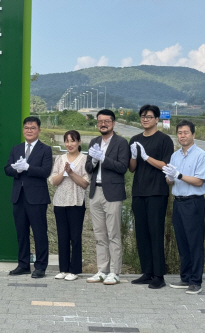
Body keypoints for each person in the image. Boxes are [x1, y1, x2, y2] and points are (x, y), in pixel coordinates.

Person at [129, 105, 174, 289]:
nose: (145, 119)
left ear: (157, 119)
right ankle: (147, 272)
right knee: (141, 233)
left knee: (156, 233)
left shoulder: (164, 140)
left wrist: (146, 157)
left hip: (157, 192)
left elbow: (166, 165)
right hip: (139, 191)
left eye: (149, 116)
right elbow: (132, 168)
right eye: (142, 116)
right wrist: (133, 156)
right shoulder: (135, 139)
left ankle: (159, 275)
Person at [162, 120, 205, 295]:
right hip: (178, 201)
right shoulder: (175, 156)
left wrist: (179, 175)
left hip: (193, 202)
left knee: (195, 242)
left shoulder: (200, 155)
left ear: (193, 135)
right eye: (180, 133)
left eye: (186, 132)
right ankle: (186, 277)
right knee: (182, 241)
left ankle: (196, 281)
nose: (182, 136)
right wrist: (170, 176)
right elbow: (170, 180)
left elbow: (198, 181)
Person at [85, 109, 130, 285]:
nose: (103, 124)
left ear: (113, 123)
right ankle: (102, 270)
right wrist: (94, 161)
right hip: (95, 191)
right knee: (99, 234)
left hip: (113, 192)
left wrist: (103, 158)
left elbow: (122, 167)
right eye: (100, 121)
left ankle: (115, 272)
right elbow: (88, 168)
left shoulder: (121, 142)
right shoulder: (94, 142)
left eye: (106, 121)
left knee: (113, 233)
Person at [4, 116, 53, 278]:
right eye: (26, 128)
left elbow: (45, 172)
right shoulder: (16, 148)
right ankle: (23, 264)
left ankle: (40, 266)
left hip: (37, 198)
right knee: (21, 233)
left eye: (32, 128)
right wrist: (17, 169)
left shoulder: (45, 149)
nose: (29, 130)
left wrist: (28, 167)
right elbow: (6, 169)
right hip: (18, 197)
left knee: (39, 233)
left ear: (39, 130)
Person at [49, 130, 89, 281]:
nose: (69, 144)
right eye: (67, 141)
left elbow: (85, 183)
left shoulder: (85, 159)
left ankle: (75, 270)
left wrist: (71, 173)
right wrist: (64, 173)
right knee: (63, 236)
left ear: (79, 142)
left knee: (75, 237)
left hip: (76, 202)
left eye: (73, 141)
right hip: (60, 202)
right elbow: (53, 181)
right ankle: (63, 269)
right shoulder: (60, 158)